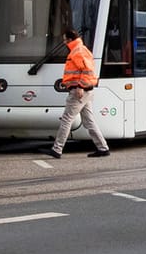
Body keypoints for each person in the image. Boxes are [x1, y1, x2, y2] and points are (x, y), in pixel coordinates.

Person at [43, 29, 112, 159]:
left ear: (70, 39)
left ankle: (57, 149)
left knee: (67, 119)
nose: (63, 42)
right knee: (89, 121)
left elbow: (87, 70)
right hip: (84, 91)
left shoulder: (78, 51)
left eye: (64, 39)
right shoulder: (79, 50)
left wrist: (80, 86)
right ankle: (103, 148)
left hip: (79, 91)